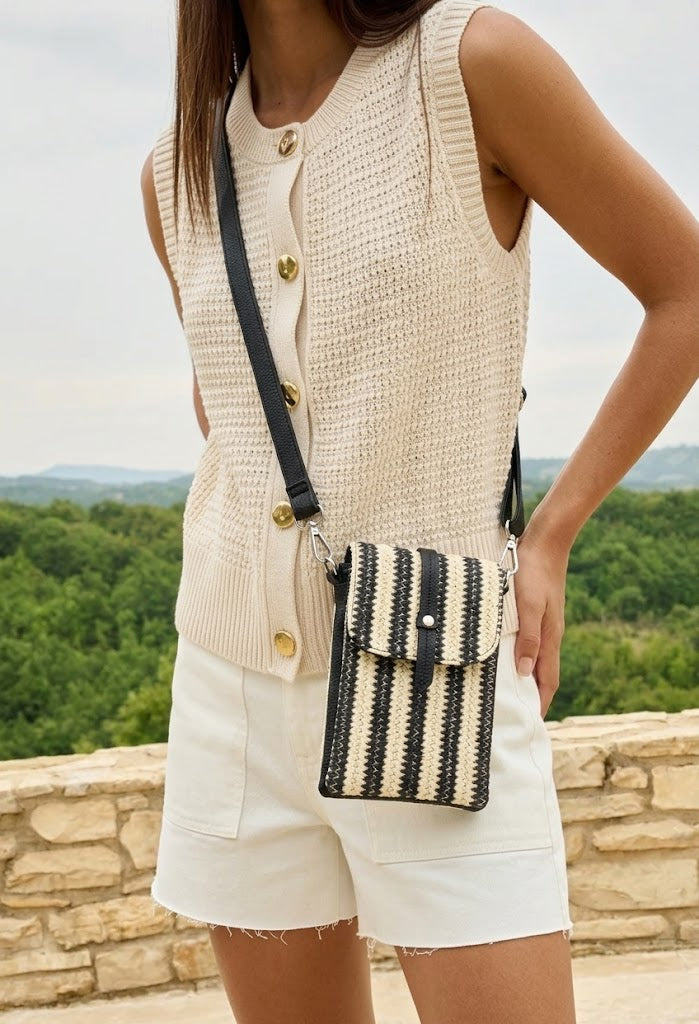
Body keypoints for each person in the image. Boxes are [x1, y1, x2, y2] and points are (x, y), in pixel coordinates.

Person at [141, 0, 699, 1021]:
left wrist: (551, 536)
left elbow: (686, 289)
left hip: (433, 667)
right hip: (233, 696)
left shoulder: (470, 65)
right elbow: (230, 413)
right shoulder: (177, 168)